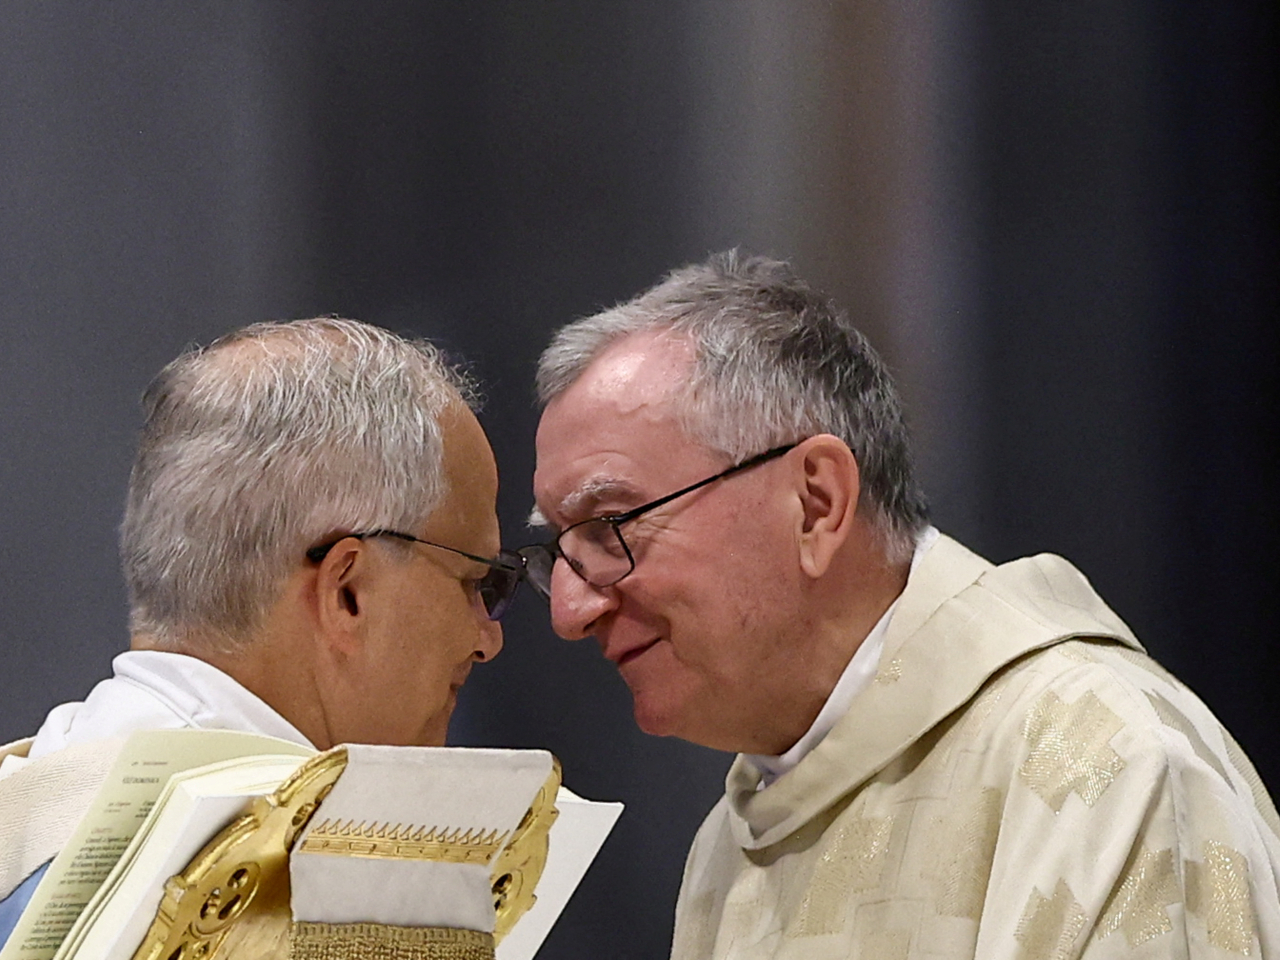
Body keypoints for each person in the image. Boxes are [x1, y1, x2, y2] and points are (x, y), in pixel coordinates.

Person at [526, 252, 1280, 958]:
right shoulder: (732, 841)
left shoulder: (1106, 766)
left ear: (817, 504)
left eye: (610, 526)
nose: (569, 609)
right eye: (557, 549)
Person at [0, 317, 518, 954]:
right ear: (347, 592)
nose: (486, 638)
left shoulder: (31, 796)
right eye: (475, 582)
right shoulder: (323, 899)